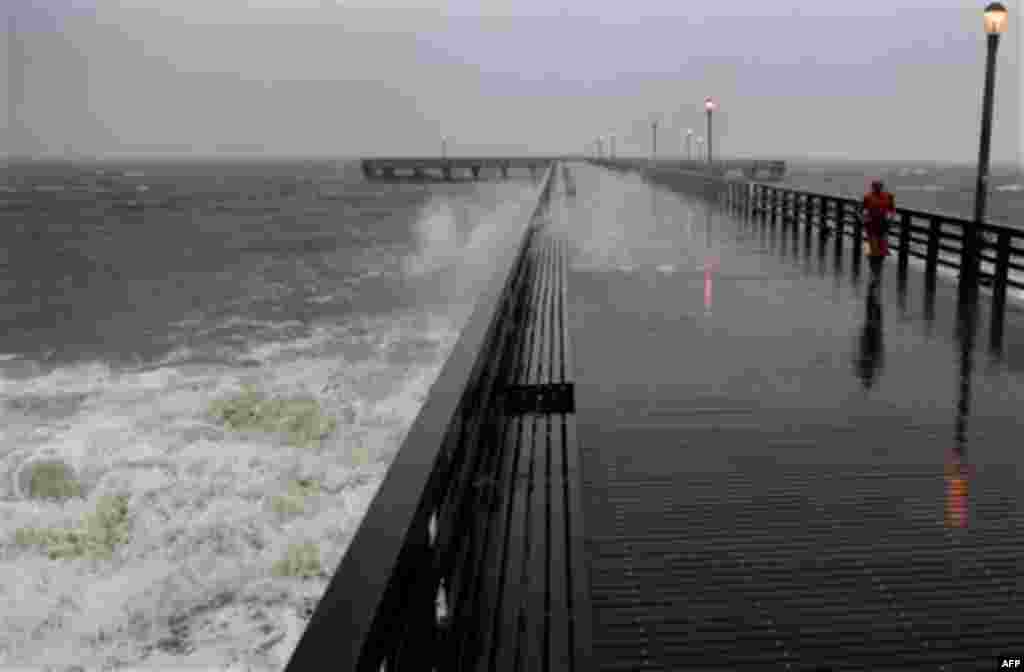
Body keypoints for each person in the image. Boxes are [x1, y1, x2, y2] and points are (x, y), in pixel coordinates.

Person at [861, 180, 895, 290]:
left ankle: (876, 272)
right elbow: (861, 210)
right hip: (871, 228)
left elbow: (892, 210)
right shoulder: (867, 197)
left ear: (882, 187)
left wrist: (890, 218)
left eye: (879, 186)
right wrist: (864, 219)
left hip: (884, 228)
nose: (877, 188)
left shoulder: (889, 197)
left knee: (882, 253)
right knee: (874, 251)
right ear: (872, 187)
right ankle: (874, 273)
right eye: (875, 186)